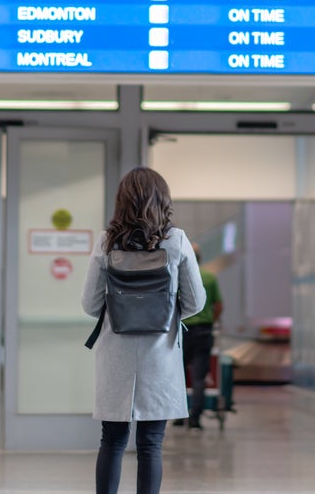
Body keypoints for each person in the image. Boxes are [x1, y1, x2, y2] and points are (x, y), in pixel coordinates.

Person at [82, 167, 206, 494]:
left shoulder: (106, 241)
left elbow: (89, 303)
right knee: (151, 444)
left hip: (115, 356)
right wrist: (165, 314)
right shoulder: (176, 240)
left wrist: (118, 311)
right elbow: (196, 301)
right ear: (162, 200)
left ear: (121, 201)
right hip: (159, 355)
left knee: (112, 440)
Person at [180, 243, 222, 430]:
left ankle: (179, 416)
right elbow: (218, 305)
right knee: (199, 377)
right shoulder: (209, 277)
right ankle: (195, 418)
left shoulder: (179, 276)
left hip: (182, 331)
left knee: (178, 376)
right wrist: (209, 321)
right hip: (203, 332)